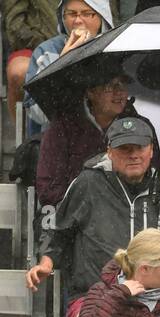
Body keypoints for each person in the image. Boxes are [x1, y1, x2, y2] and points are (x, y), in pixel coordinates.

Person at [28, 115, 160, 317]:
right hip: (94, 296)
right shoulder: (87, 183)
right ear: (110, 152)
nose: (134, 155)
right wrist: (45, 264)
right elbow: (58, 231)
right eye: (125, 149)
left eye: (140, 148)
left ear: (151, 150)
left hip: (155, 299)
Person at [35, 69, 132, 207]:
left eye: (122, 85)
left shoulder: (139, 127)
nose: (119, 92)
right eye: (110, 86)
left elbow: (151, 182)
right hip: (76, 218)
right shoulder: (63, 127)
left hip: (128, 218)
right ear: (91, 92)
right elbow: (48, 189)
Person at [23, 0, 114, 136]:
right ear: (62, 17)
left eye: (87, 14)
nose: (78, 21)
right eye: (71, 14)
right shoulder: (46, 52)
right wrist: (62, 63)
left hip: (108, 140)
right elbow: (38, 114)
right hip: (58, 141)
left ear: (102, 16)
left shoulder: (115, 51)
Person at [4, 0, 58, 122]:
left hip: (88, 37)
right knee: (18, 73)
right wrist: (46, 46)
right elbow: (15, 23)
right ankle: (25, 135)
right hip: (33, 44)